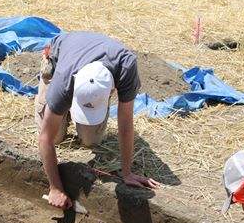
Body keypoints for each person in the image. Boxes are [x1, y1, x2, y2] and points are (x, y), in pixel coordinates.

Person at [35, 31, 159, 209]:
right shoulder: (62, 83)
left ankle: (66, 112)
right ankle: (58, 110)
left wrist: (127, 173)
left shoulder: (126, 67)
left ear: (111, 91)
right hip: (59, 60)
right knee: (55, 137)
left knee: (91, 140)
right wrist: (55, 187)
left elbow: (125, 124)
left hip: (88, 62)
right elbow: (45, 138)